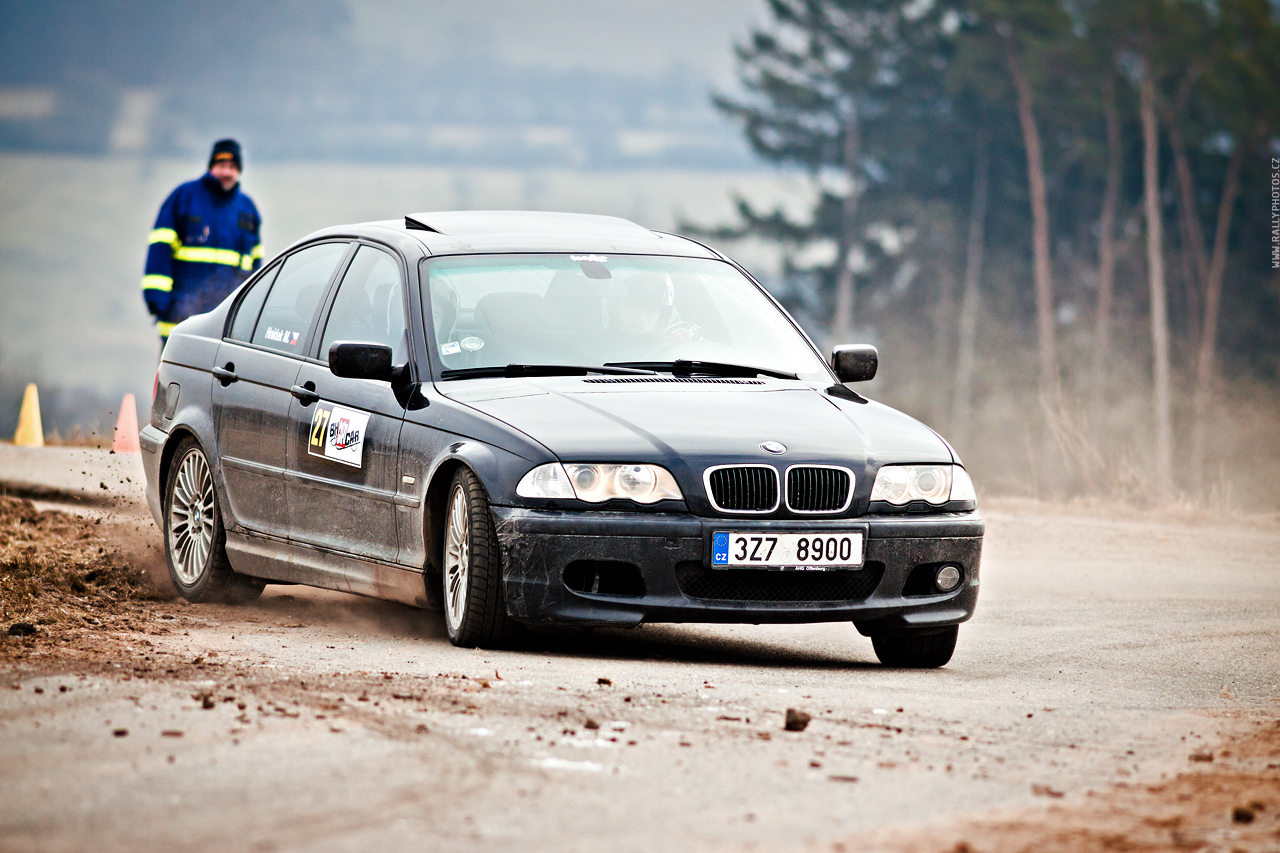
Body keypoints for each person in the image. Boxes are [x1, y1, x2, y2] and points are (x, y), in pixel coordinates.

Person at [142, 139, 263, 345]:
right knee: (175, 375)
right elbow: (160, 248)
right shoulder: (183, 198)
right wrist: (157, 300)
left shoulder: (247, 209)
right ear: (211, 167)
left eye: (233, 167)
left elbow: (257, 265)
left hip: (226, 323)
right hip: (181, 317)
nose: (227, 172)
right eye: (222, 166)